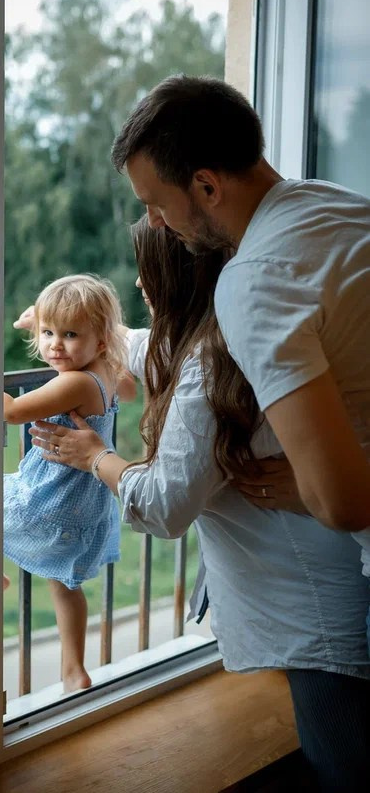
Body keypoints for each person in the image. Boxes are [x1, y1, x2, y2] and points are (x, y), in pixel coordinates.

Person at [28, 216, 370, 791]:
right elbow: (142, 348)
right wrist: (53, 321)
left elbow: (164, 506)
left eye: (145, 269)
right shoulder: (218, 333)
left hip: (314, 611)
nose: (139, 284)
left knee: (343, 766)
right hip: (321, 583)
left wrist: (95, 456)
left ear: (174, 273)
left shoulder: (208, 365)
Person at [109, 74, 370, 560]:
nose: (156, 224)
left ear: (207, 186)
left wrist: (313, 490)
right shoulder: (334, 203)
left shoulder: (255, 282)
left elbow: (344, 504)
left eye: (157, 204)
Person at [3, 274, 135, 694]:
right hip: (84, 498)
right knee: (64, 585)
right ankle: (74, 669)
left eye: (70, 335)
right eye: (48, 334)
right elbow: (129, 389)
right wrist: (44, 323)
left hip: (51, 496)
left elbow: (12, 412)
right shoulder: (107, 372)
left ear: (100, 341)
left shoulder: (74, 382)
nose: (55, 345)